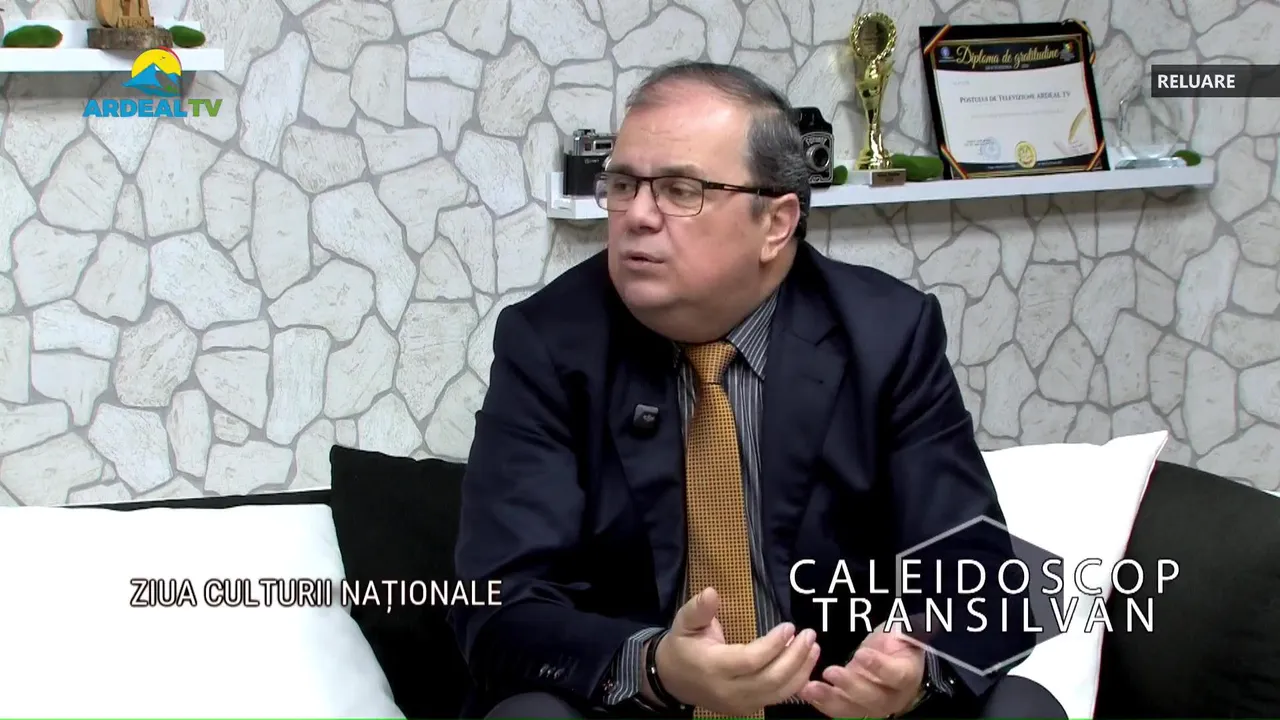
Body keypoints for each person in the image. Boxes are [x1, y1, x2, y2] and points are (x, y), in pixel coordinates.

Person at [449, 62, 1060, 719]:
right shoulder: (549, 343)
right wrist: (655, 665)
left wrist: (916, 668)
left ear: (775, 223)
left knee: (1022, 706)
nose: (637, 216)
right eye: (622, 184)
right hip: (638, 707)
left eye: (680, 190)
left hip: (835, 706)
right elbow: (498, 605)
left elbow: (982, 584)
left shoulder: (886, 337)